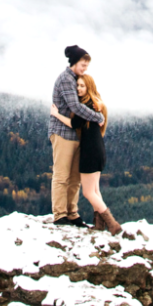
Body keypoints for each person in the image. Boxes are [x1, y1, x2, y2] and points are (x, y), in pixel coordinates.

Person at [49, 72, 122, 233]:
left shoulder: (87, 106)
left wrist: (56, 115)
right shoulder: (97, 104)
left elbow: (74, 123)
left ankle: (112, 223)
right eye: (77, 86)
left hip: (89, 152)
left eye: (82, 86)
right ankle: (99, 224)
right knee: (95, 190)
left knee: (88, 192)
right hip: (99, 150)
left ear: (89, 87)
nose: (78, 89)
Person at [49, 44, 107, 227]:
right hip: (62, 132)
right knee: (62, 175)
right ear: (74, 63)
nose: (85, 69)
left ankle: (72, 213)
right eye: (83, 65)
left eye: (86, 66)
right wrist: (98, 117)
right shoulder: (66, 80)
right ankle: (60, 214)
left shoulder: (75, 78)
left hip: (74, 134)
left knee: (74, 177)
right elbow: (74, 107)